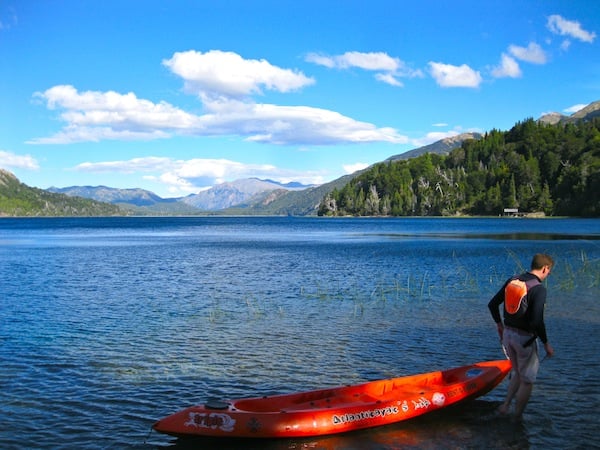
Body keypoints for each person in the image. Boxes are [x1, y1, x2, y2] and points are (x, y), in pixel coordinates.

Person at [488, 253, 555, 419]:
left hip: (508, 335)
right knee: (527, 380)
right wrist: (546, 343)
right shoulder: (538, 289)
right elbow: (537, 321)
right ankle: (517, 417)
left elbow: (492, 304)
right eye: (549, 271)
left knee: (518, 372)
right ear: (545, 268)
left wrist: (499, 325)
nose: (549, 274)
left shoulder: (513, 280)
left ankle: (505, 406)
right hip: (524, 340)